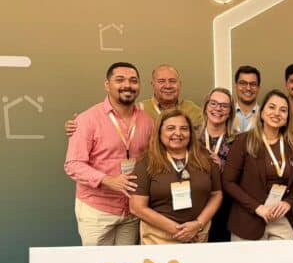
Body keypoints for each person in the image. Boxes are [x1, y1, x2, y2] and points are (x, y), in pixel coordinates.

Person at [64, 62, 153, 245]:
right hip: (97, 210)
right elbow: (73, 164)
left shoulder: (147, 121)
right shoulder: (87, 119)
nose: (127, 85)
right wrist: (108, 180)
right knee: (97, 262)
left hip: (132, 209)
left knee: (126, 262)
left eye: (133, 81)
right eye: (120, 80)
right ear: (107, 84)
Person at [130, 109, 222, 244]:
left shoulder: (206, 158)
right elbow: (137, 207)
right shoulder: (146, 162)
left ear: (190, 133)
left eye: (184, 128)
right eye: (171, 128)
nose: (178, 133)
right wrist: (179, 230)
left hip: (197, 234)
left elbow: (216, 194)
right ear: (159, 132)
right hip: (158, 237)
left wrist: (198, 224)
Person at [222, 89, 293, 240]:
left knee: (289, 254)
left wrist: (288, 202)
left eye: (283, 110)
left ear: (287, 117)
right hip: (248, 218)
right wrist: (257, 207)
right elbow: (228, 182)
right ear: (262, 112)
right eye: (272, 107)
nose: (277, 113)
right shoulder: (244, 141)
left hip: (279, 218)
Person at [64, 65, 203, 137]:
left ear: (180, 84)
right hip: (149, 171)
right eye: (161, 81)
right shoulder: (139, 109)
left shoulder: (194, 110)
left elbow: (207, 135)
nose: (168, 86)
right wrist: (79, 126)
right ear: (152, 84)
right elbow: (111, 126)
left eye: (172, 81)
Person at [200, 87, 236, 242]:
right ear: (206, 106)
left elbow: (243, 178)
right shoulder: (190, 137)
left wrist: (223, 167)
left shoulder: (239, 141)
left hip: (226, 209)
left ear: (230, 112)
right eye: (213, 103)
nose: (218, 108)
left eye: (224, 106)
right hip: (195, 205)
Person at [232, 65, 261, 133]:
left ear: (258, 88)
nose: (248, 88)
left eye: (253, 84)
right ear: (236, 86)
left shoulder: (264, 117)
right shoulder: (226, 114)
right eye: (243, 83)